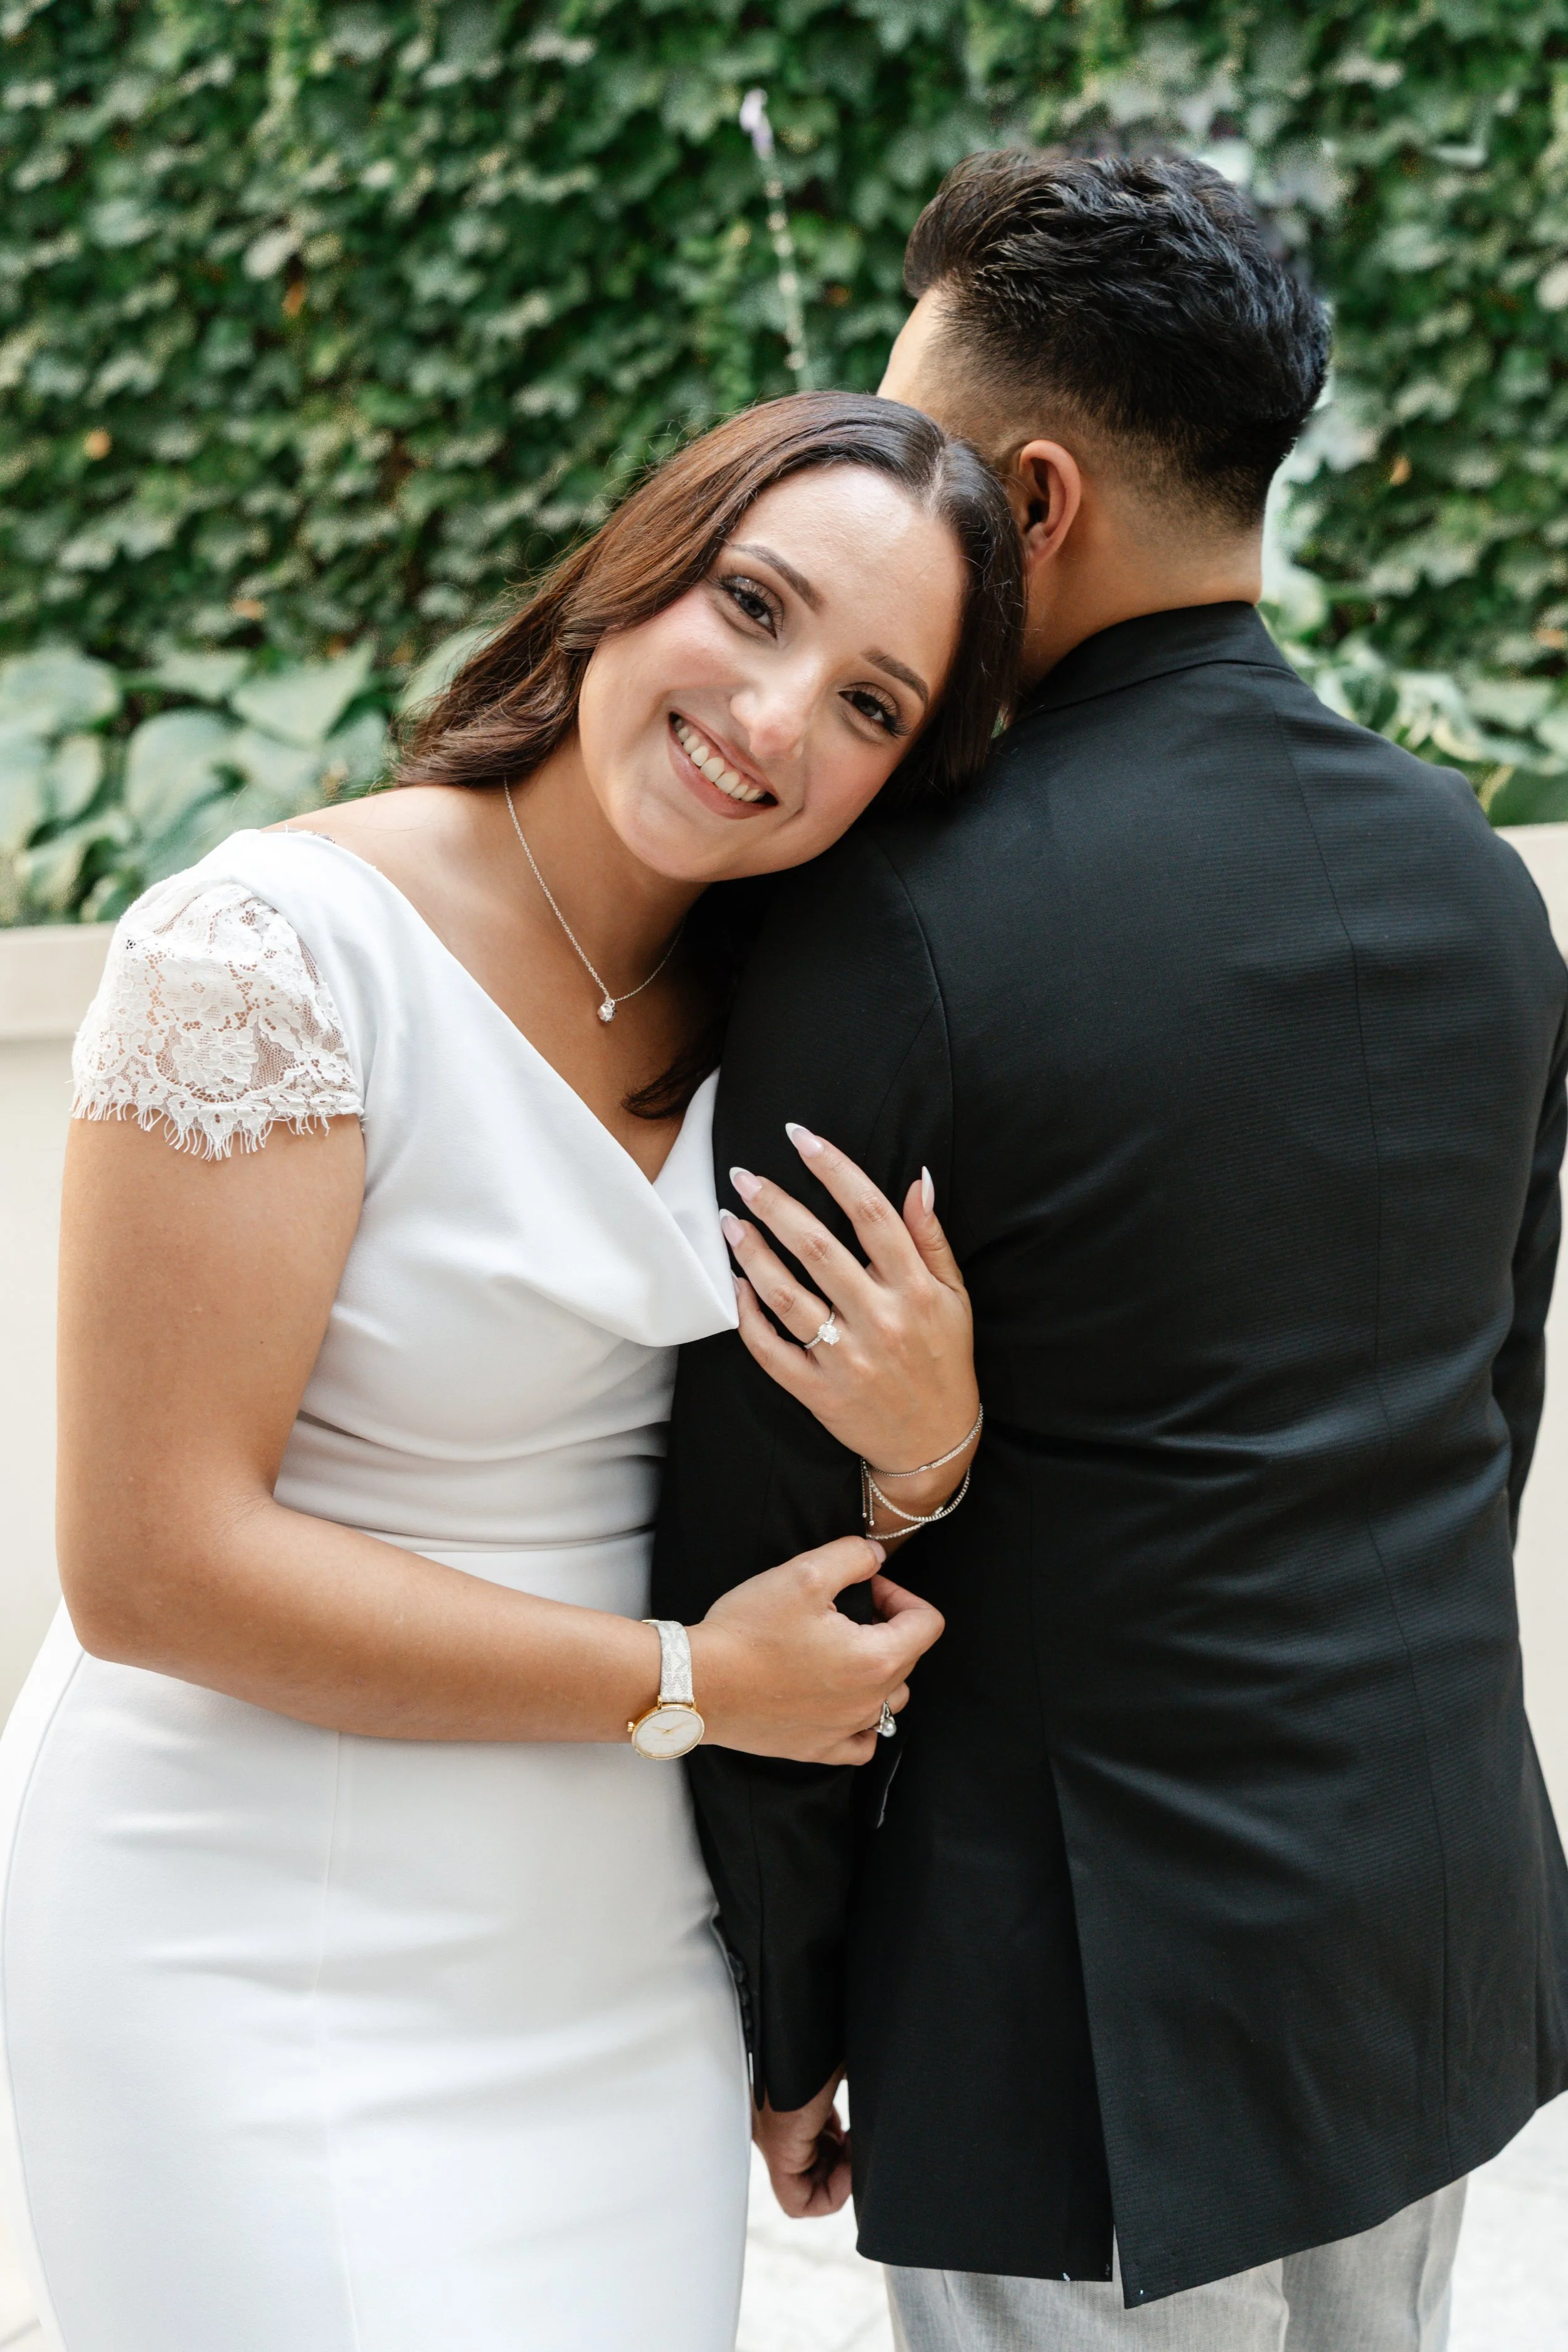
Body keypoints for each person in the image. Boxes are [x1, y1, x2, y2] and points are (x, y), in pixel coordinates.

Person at [652, 152, 1568, 2349]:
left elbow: (772, 1534)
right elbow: (1485, 1406)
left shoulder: (893, 922)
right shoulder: (1471, 886)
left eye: (918, 453)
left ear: (1031, 498)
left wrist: (790, 2008)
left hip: (1076, 2003)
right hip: (1418, 1946)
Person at [0, 392, 1024, 2352]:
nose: (777, 713)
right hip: (239, 1927)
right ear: (635, 571)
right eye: (751, 601)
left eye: (873, 704)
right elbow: (148, 1565)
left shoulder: (806, 1017)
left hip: (609, 1958)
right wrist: (691, 1685)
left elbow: (768, 1491)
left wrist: (925, 1453)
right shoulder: (276, 948)